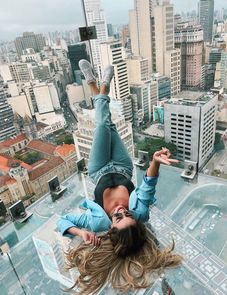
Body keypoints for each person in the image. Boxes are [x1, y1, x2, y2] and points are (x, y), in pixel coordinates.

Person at [57, 60, 182, 295]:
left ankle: (100, 87)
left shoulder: (97, 224)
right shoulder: (140, 212)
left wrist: (79, 232)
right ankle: (97, 87)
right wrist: (155, 161)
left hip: (99, 167)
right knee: (108, 124)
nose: (122, 211)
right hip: (123, 166)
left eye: (117, 217)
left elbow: (62, 221)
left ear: (110, 227)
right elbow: (148, 186)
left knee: (103, 124)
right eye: (128, 214)